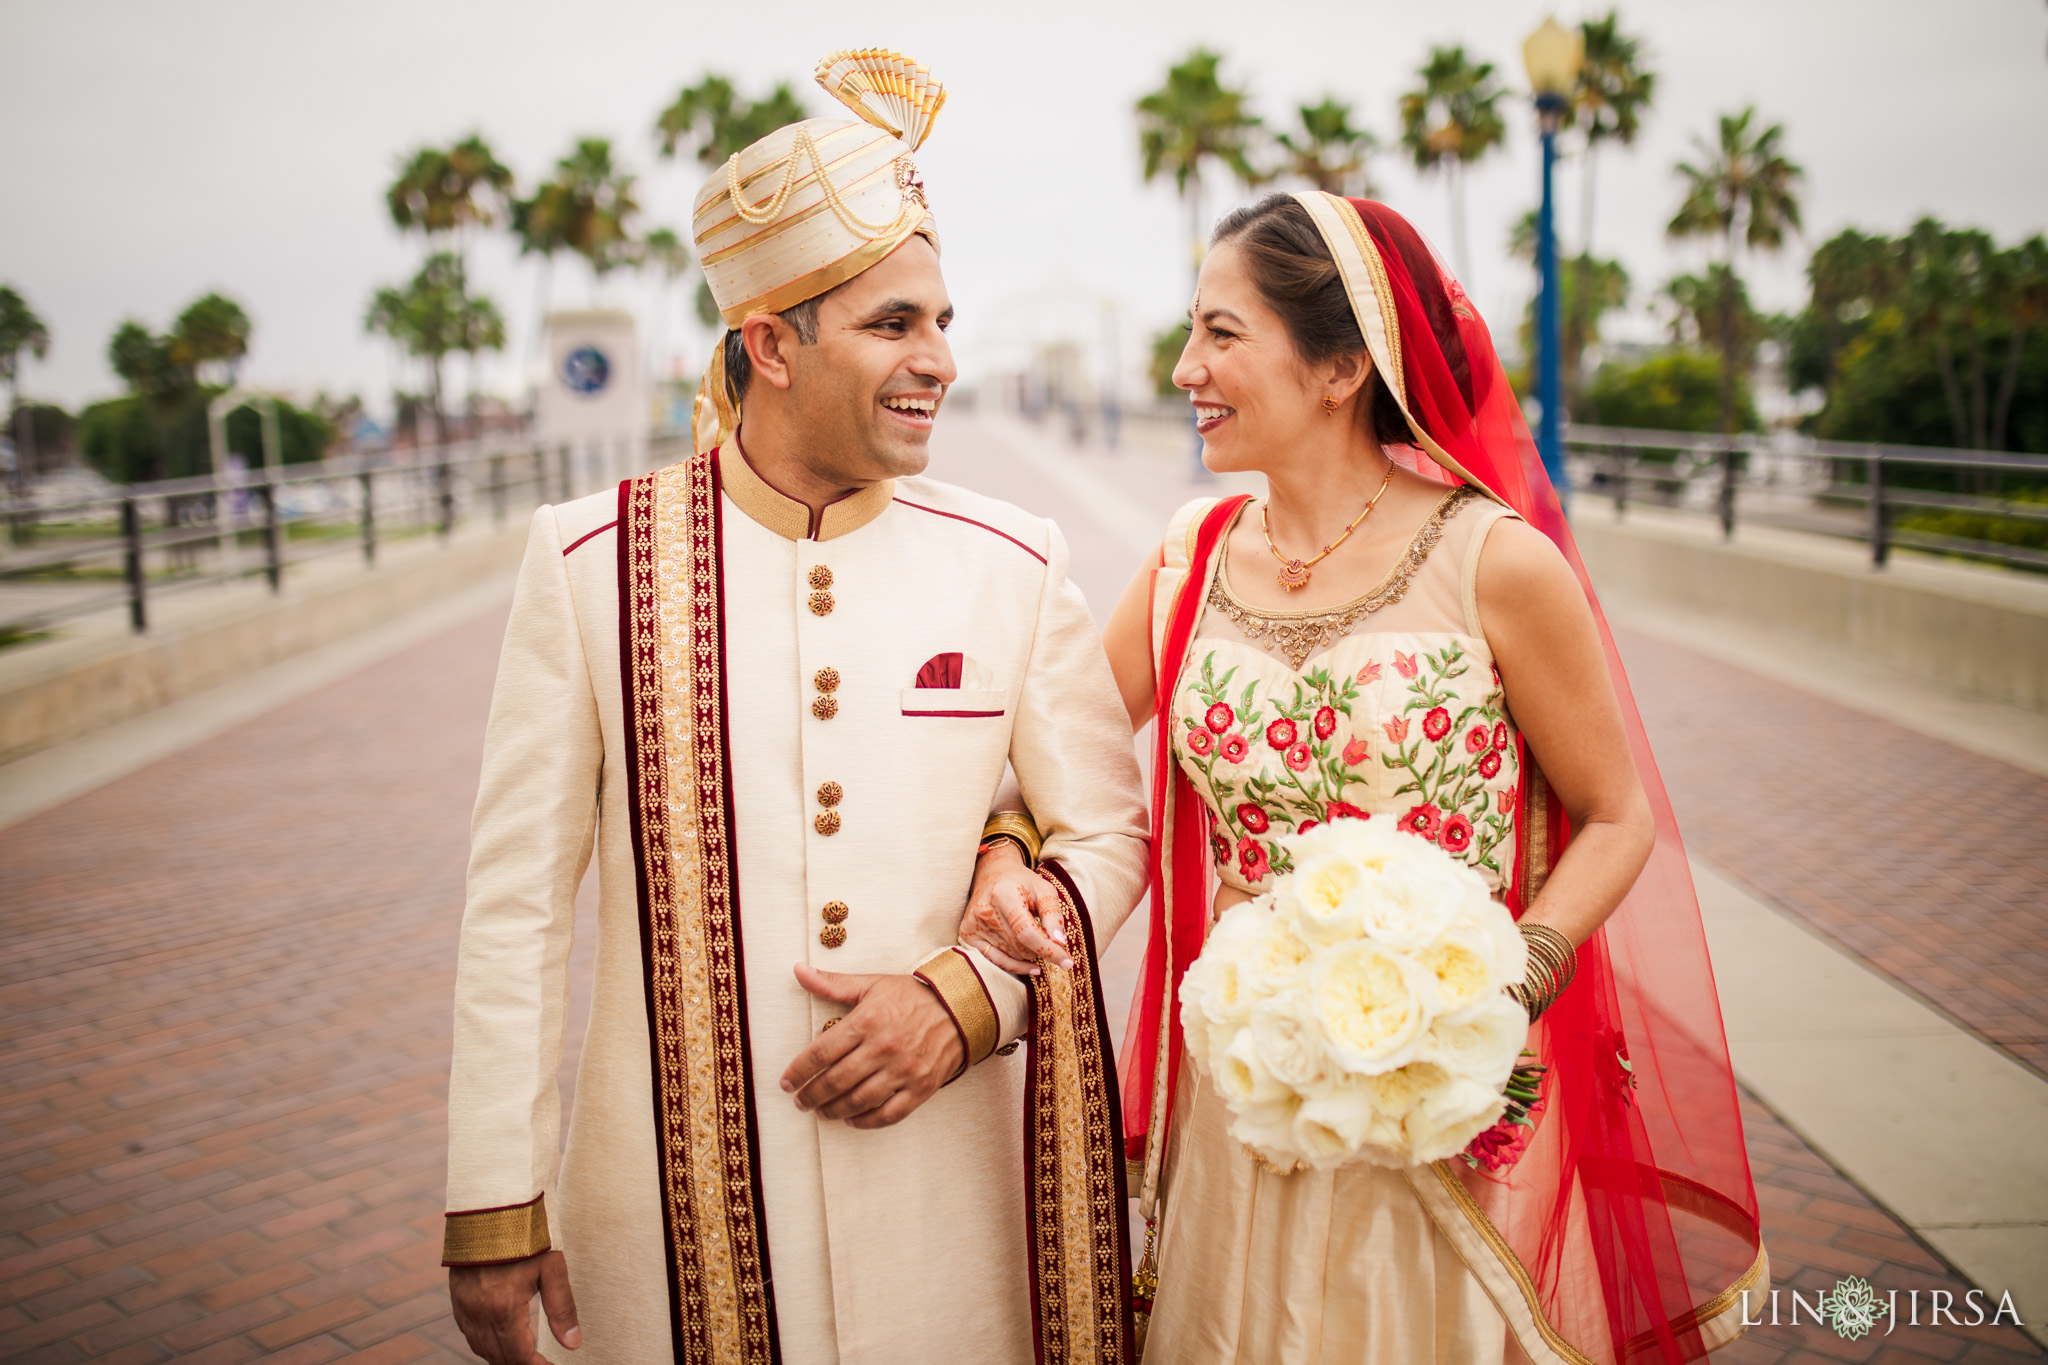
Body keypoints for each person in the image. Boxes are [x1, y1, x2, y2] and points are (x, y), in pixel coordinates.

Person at [967, 194, 1767, 1364]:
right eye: (1189, 331)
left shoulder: (1495, 561)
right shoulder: (1188, 559)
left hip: (1443, 1091)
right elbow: (1049, 754)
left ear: (1341, 364)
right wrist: (1003, 845)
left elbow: (1615, 815)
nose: (1185, 365)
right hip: (1249, 1087)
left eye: (1222, 334)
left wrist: (1499, 990)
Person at [441, 50, 1145, 1365]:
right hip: (666, 1212)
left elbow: (1109, 834)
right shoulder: (589, 562)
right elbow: (519, 903)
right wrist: (493, 1194)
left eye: (942, 320)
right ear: (769, 343)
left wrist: (967, 995)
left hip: (956, 1211)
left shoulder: (1013, 561)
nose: (937, 358)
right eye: (894, 324)